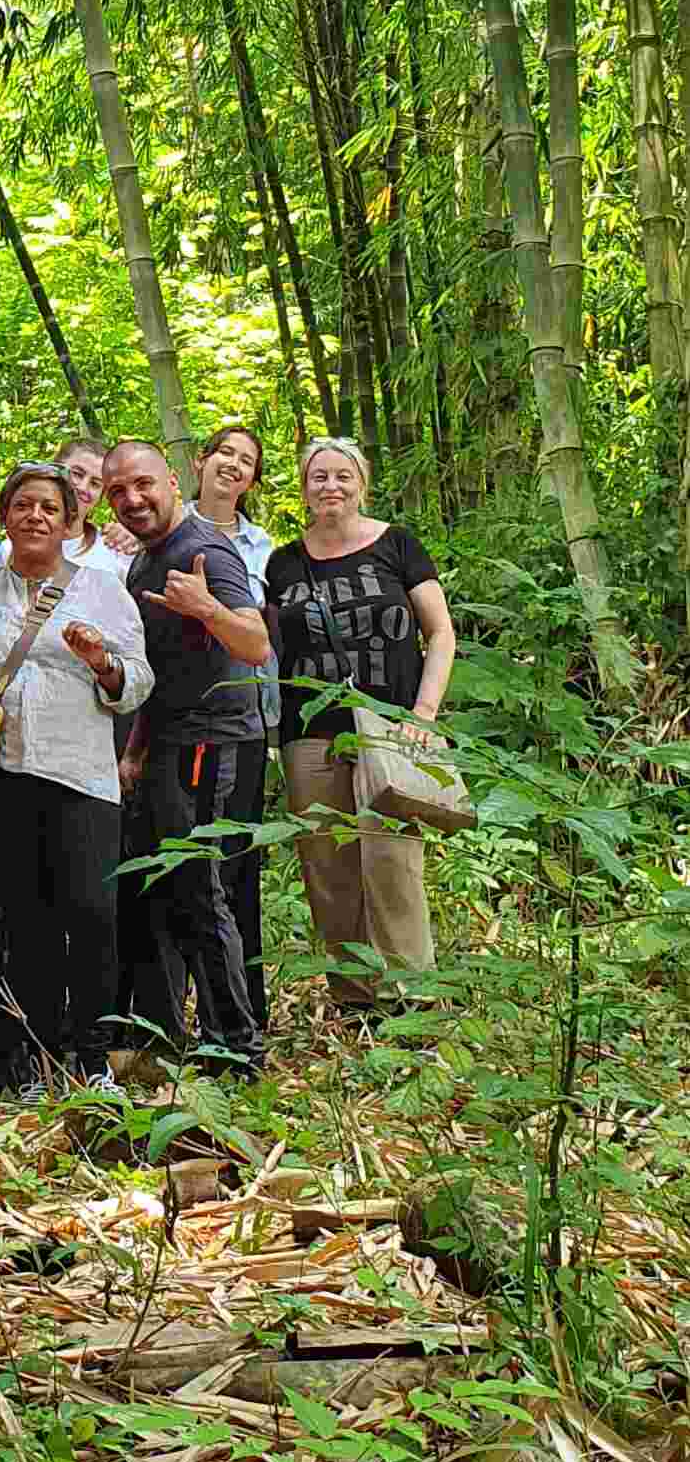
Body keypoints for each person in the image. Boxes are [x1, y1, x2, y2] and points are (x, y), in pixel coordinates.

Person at [0, 464, 150, 1086]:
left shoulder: (102, 590)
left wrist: (103, 663)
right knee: (26, 918)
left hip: (82, 777)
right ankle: (41, 1054)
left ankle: (94, 1054)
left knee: (92, 912)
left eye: (49, 507)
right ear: (3, 516)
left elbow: (138, 682)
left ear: (69, 519)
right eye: (23, 505)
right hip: (3, 778)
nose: (36, 517)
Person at [266, 435, 456, 1015]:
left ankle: (413, 1001)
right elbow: (269, 648)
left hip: (391, 728)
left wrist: (423, 715)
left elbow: (441, 633)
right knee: (327, 868)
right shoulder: (283, 562)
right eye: (318, 476)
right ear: (303, 489)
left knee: (394, 864)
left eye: (342, 476)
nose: (331, 486)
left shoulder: (398, 545)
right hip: (311, 734)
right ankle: (355, 1002)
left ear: (361, 484)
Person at [104, 436, 271, 1075]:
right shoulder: (145, 564)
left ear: (173, 479)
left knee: (203, 890)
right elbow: (155, 672)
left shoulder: (205, 550)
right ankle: (182, 1034)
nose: (131, 499)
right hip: (169, 744)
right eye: (118, 491)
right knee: (174, 891)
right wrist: (137, 752)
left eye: (142, 484)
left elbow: (254, 644)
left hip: (216, 740)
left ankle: (238, 1045)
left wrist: (205, 606)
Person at [192, 423, 281, 1029]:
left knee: (236, 864)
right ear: (200, 461)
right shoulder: (166, 531)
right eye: (224, 452)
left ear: (251, 480)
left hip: (248, 717)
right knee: (183, 867)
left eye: (245, 461)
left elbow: (268, 636)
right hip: (178, 717)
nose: (232, 465)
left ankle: (244, 1007)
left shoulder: (264, 547)